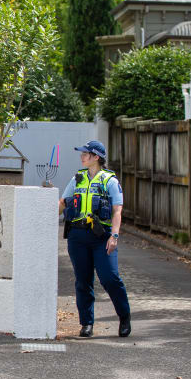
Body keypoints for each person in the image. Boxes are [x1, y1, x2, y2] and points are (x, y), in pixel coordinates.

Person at [58, 140, 131, 338]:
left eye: (86, 154)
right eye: (82, 153)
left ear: (96, 157)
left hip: (101, 237)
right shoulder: (77, 179)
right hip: (77, 237)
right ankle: (87, 323)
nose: (82, 157)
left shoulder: (110, 181)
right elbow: (63, 203)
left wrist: (114, 236)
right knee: (83, 281)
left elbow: (117, 210)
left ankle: (124, 316)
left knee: (110, 278)